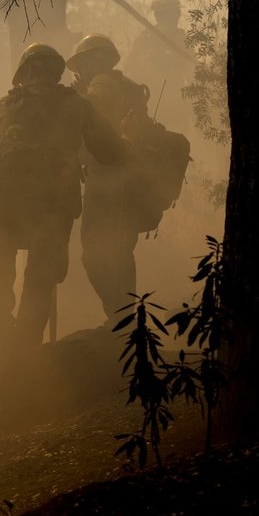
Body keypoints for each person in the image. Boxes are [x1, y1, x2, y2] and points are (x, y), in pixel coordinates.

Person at [0, 42, 127, 353]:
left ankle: (1, 326)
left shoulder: (6, 104)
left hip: (6, 209)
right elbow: (110, 151)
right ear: (58, 71)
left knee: (0, 263)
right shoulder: (76, 104)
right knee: (40, 278)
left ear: (24, 73)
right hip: (53, 209)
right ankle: (26, 348)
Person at [67, 33, 156, 321]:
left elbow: (86, 113)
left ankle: (119, 319)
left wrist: (78, 95)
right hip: (129, 180)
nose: (79, 70)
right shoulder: (129, 86)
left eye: (83, 62)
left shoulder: (101, 82)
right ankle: (123, 318)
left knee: (94, 253)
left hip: (107, 179)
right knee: (120, 250)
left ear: (98, 59)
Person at [123, 0, 195, 137]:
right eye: (174, 12)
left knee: (173, 149)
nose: (178, 16)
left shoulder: (182, 41)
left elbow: (193, 75)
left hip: (173, 106)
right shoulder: (144, 40)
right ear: (160, 15)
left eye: (177, 12)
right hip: (147, 106)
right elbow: (129, 72)